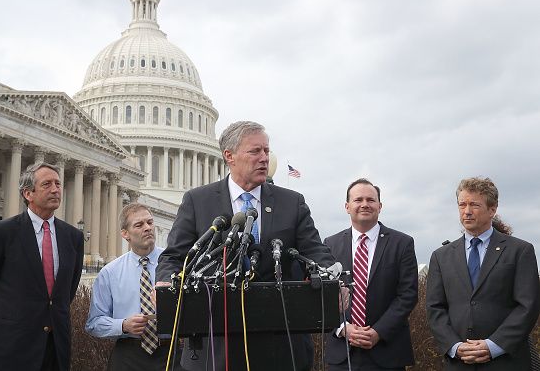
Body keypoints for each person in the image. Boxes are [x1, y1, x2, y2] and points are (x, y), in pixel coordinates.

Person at [156, 120, 335, 371]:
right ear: (229, 156)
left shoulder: (292, 202)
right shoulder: (198, 201)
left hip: (281, 345)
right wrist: (164, 283)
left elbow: (315, 251)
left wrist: (330, 278)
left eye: (266, 150)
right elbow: (174, 257)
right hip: (216, 344)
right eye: (255, 151)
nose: (264, 158)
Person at [0, 162, 84, 371]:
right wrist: (6, 322)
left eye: (58, 184)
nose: (55, 189)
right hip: (11, 346)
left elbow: (66, 292)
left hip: (55, 347)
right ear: (28, 193)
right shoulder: (1, 232)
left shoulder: (73, 237)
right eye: (47, 184)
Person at [426, 177, 540, 370]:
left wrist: (493, 346)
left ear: (493, 209)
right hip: (458, 362)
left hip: (506, 361)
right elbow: (435, 308)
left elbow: (527, 306)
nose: (467, 211)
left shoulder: (520, 251)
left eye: (474, 205)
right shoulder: (440, 256)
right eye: (462, 205)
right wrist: (455, 346)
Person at [323, 178, 418, 370]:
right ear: (347, 206)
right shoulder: (329, 245)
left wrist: (378, 332)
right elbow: (323, 297)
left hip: (387, 352)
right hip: (343, 354)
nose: (365, 204)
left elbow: (407, 295)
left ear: (380, 206)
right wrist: (343, 329)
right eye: (358, 200)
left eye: (370, 200)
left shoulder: (402, 243)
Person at [86, 203, 181, 371]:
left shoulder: (176, 264)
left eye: (150, 223)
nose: (147, 228)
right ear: (125, 234)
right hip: (128, 355)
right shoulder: (110, 273)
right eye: (139, 225)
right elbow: (94, 322)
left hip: (172, 353)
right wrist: (122, 325)